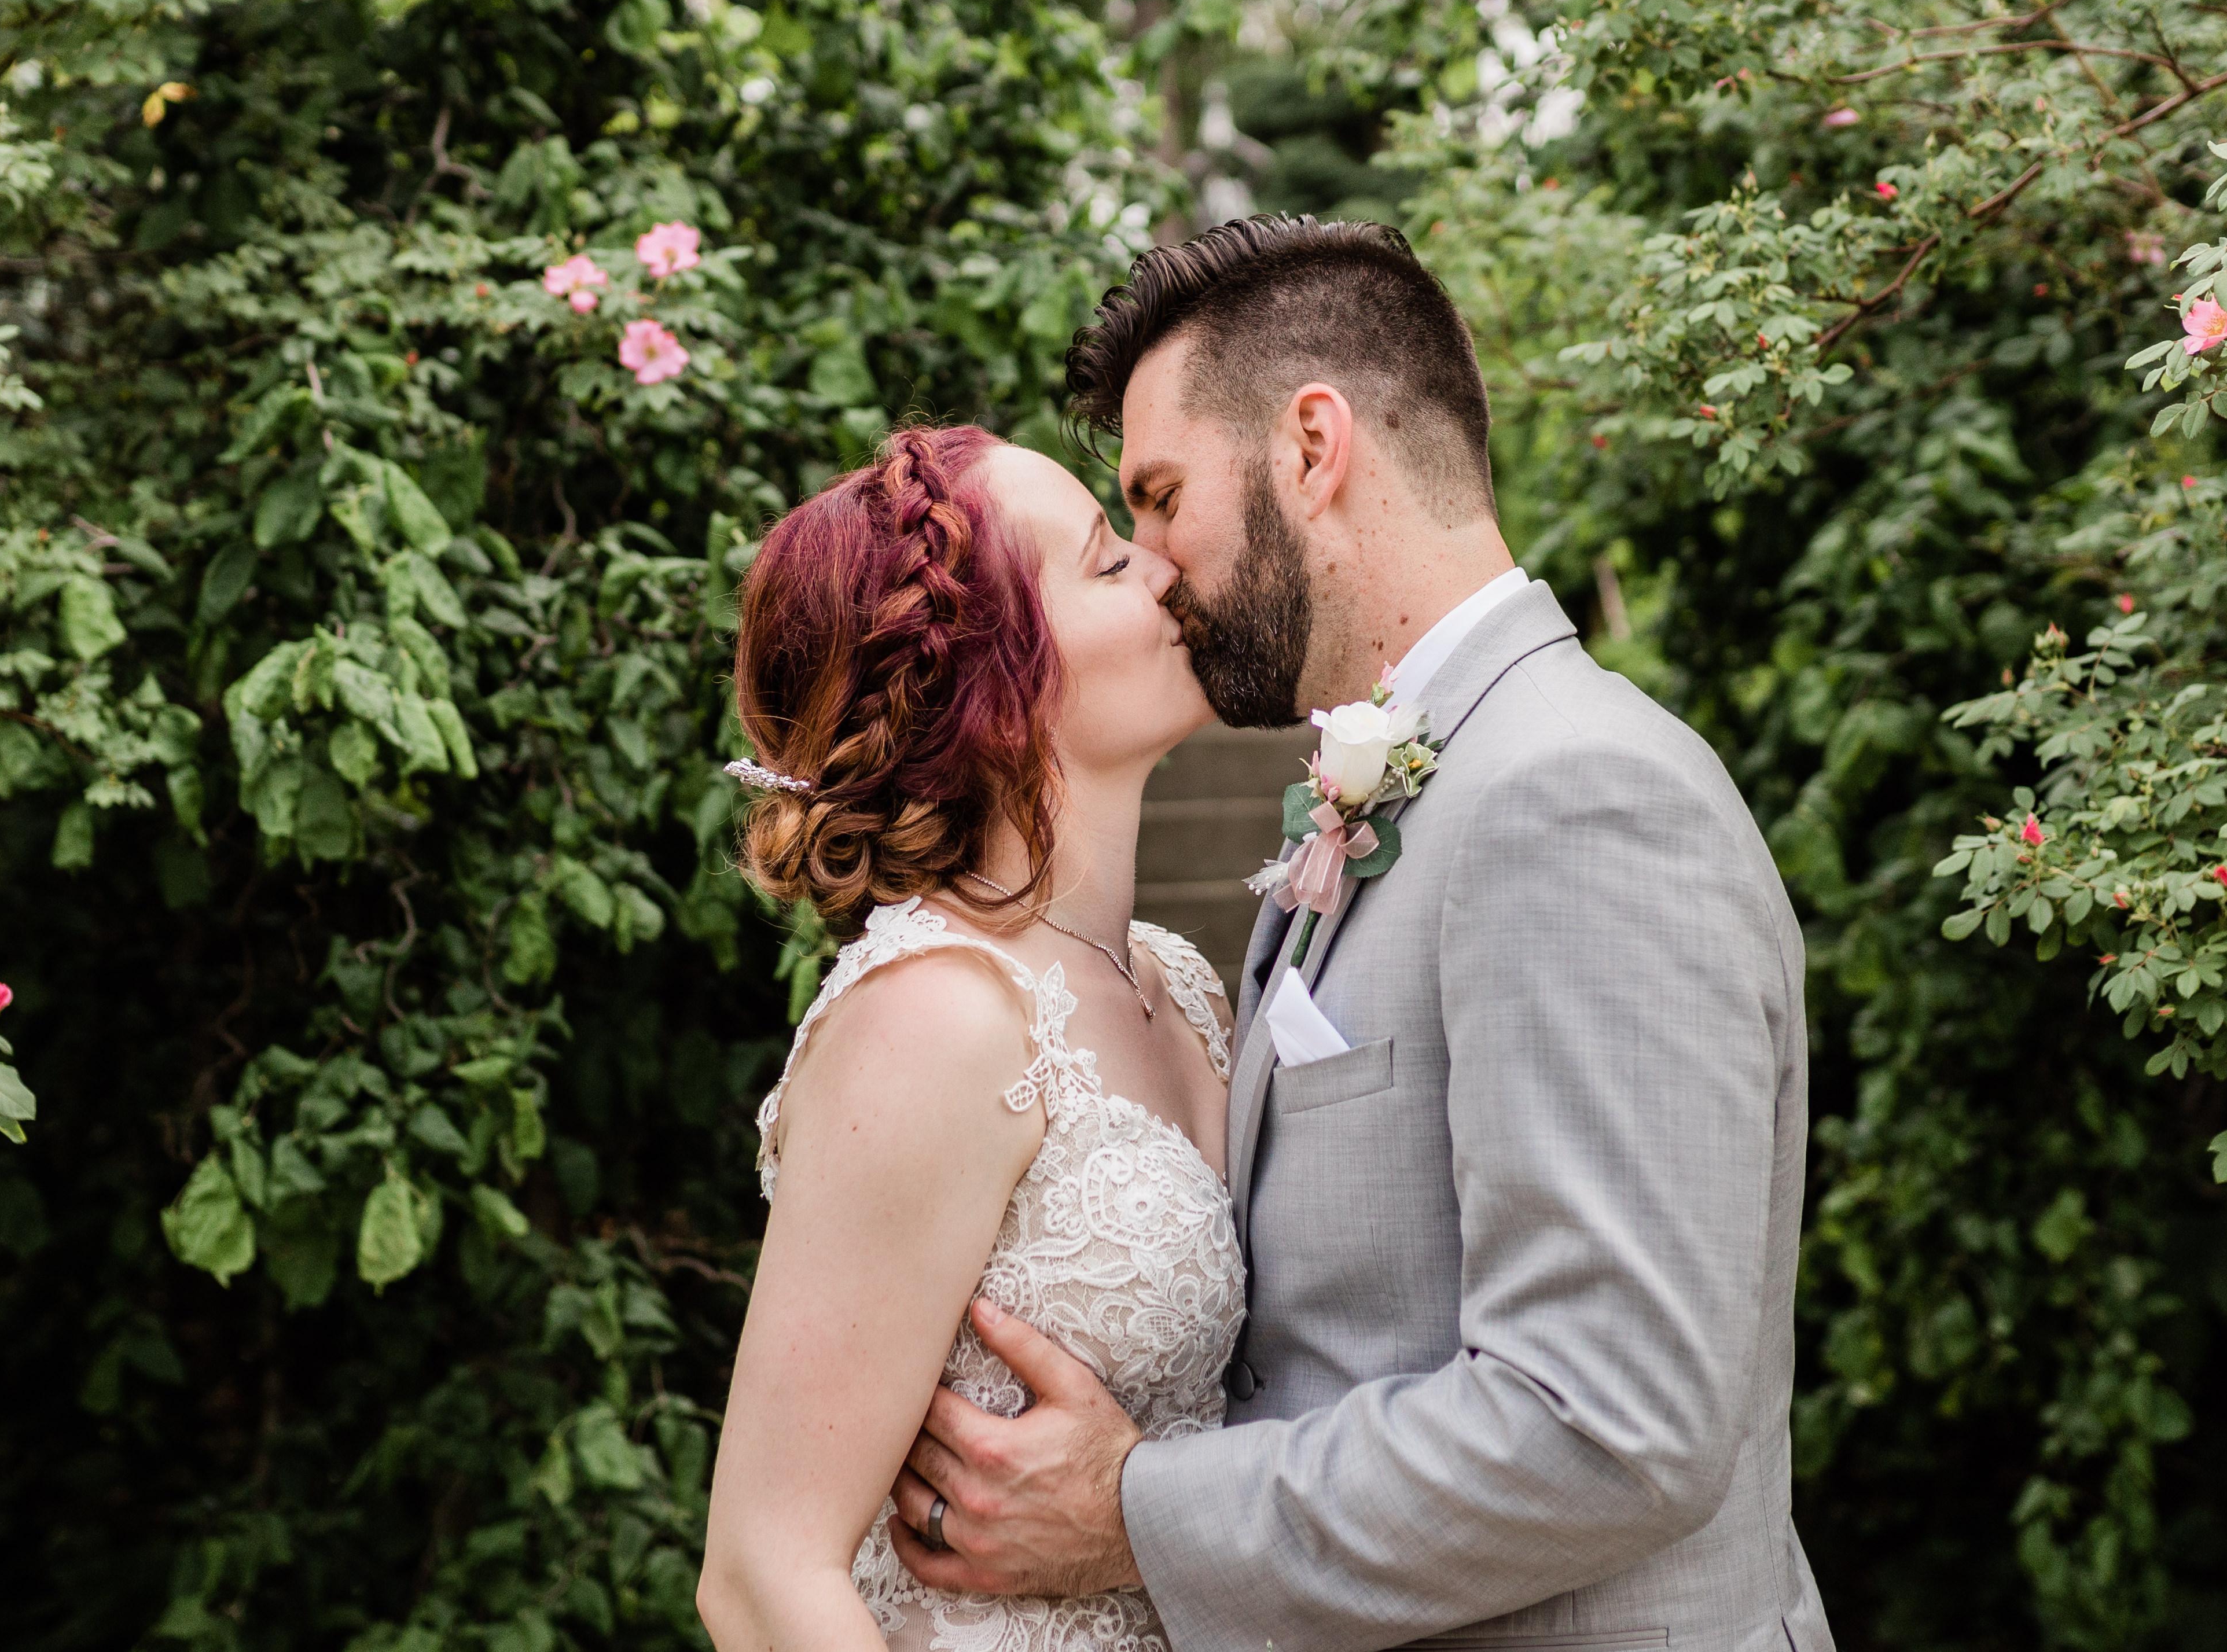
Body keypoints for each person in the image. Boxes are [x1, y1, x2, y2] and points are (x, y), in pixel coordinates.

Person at [881, 216, 1833, 1652]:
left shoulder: (1575, 794)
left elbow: (1607, 1422)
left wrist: (1134, 1510)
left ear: (1312, 446)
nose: (1153, 568)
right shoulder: (1430, 787)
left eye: (1160, 496)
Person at [696, 424, 1243, 1652]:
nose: (1166, 567)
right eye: (1108, 560)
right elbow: (763, 1576)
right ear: (995, 696)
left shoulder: (1179, 986)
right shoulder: (934, 1017)